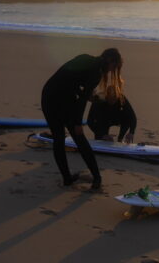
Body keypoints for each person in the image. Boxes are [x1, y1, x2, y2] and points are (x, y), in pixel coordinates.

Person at [41, 48, 123, 190]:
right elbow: (82, 99)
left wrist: (84, 94)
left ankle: (68, 179)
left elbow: (69, 80)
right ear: (110, 60)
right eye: (114, 67)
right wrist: (78, 123)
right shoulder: (97, 72)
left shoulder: (85, 58)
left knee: (59, 139)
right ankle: (97, 178)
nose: (111, 71)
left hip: (48, 95)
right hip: (59, 99)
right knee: (78, 138)